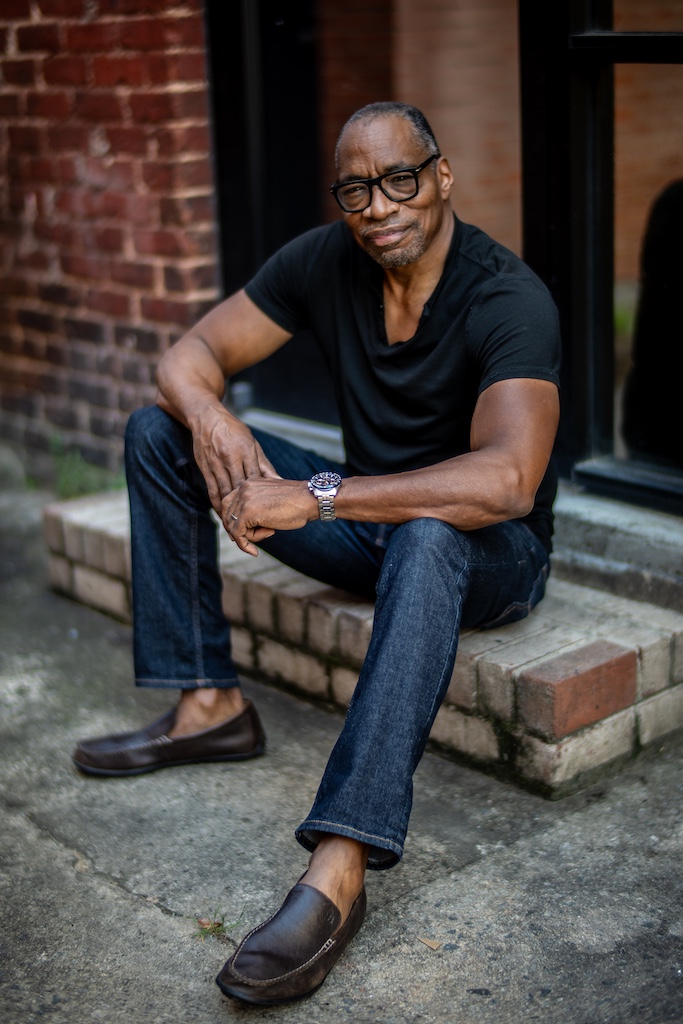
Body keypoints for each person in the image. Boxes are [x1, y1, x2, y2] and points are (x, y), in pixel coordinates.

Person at [73, 102, 561, 1005]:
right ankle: (207, 705)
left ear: (442, 177)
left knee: (429, 528)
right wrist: (214, 417)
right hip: (374, 527)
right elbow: (189, 355)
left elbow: (505, 483)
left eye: (400, 179)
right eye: (356, 189)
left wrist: (317, 494)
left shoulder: (508, 297)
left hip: (488, 553)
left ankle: (340, 864)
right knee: (158, 430)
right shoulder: (325, 261)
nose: (379, 206)